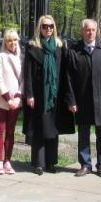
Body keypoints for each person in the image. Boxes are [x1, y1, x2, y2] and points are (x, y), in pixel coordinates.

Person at [66, 18, 101, 178]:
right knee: (83, 134)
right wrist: (71, 101)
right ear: (82, 31)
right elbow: (68, 78)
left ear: (97, 31)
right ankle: (85, 164)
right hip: (82, 101)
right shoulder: (74, 51)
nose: (90, 33)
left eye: (93, 30)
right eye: (87, 30)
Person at [23, 15, 73, 175]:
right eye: (45, 26)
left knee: (53, 128)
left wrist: (68, 96)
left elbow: (66, 72)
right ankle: (38, 163)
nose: (48, 29)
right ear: (40, 28)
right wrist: (29, 94)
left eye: (51, 26)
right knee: (39, 128)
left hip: (55, 95)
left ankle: (51, 162)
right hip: (39, 95)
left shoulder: (59, 47)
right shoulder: (32, 47)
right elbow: (28, 74)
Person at [0, 29, 23, 175]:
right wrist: (8, 98)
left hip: (16, 102)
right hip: (1, 101)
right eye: (9, 40)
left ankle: (7, 160)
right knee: (0, 131)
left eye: (15, 40)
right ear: (5, 42)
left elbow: (23, 80)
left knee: (10, 132)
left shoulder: (20, 57)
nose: (12, 43)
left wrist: (18, 97)